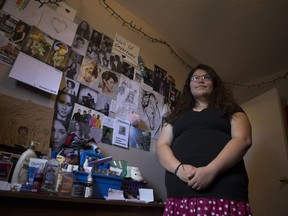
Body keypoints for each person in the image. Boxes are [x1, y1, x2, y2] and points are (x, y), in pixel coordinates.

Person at [156, 64, 253, 216]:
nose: (200, 80)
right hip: (180, 193)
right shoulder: (176, 115)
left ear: (214, 83)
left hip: (224, 190)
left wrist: (211, 170)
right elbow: (162, 145)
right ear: (189, 85)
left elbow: (243, 139)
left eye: (206, 77)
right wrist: (178, 169)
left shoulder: (230, 108)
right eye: (195, 78)